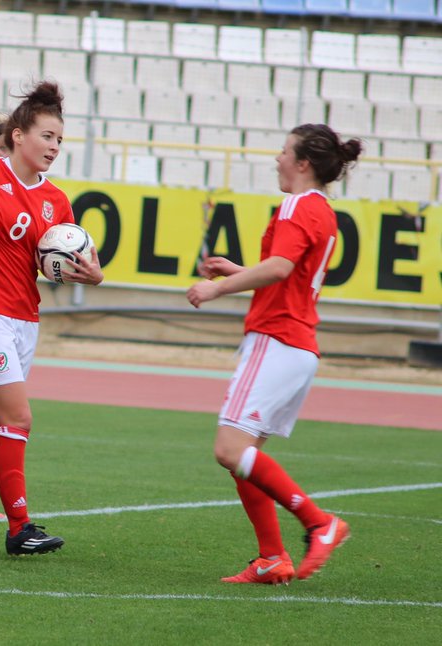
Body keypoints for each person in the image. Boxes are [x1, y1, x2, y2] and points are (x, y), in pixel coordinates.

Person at [0, 81, 105, 555]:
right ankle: (19, 527)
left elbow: (58, 263)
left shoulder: (57, 201)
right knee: (20, 417)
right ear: (17, 136)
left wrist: (90, 275)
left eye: (59, 140)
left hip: (25, 317)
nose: (53, 147)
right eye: (47, 137)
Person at [187, 124, 361, 583]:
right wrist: (242, 270)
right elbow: (291, 274)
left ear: (303, 163)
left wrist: (218, 286)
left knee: (229, 450)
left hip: (276, 340)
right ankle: (271, 558)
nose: (277, 159)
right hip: (298, 345)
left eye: (284, 152)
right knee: (247, 462)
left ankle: (318, 522)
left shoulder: (296, 205)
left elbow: (282, 267)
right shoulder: (324, 211)